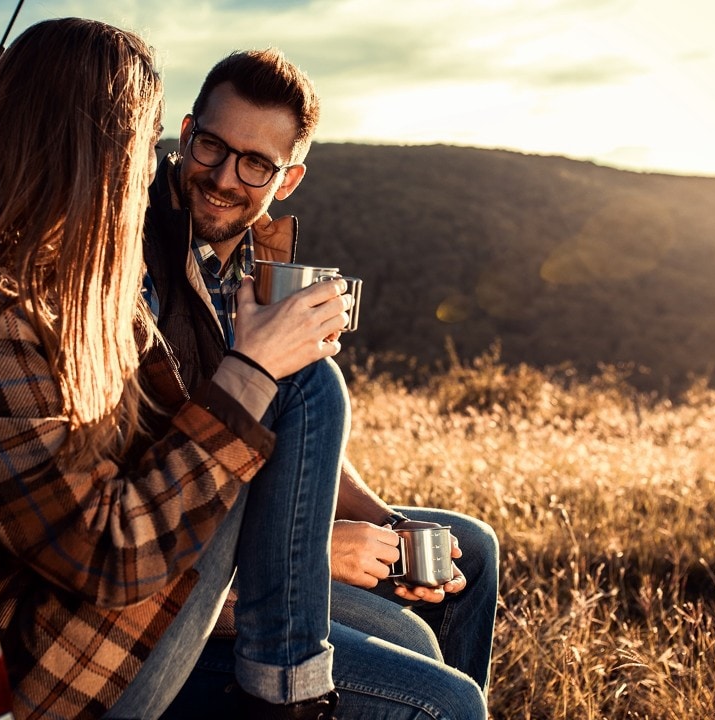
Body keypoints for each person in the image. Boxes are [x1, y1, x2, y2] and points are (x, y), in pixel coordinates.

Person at [0, 19, 353, 719]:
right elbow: (112, 553)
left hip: (107, 606)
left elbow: (155, 436)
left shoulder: (62, 287)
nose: (155, 170)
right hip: (51, 668)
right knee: (301, 384)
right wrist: (255, 367)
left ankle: (287, 682)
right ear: (91, 153)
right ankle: (286, 697)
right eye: (149, 146)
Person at [143, 48, 497, 715]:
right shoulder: (140, 256)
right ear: (185, 134)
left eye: (255, 164)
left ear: (289, 179)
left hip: (251, 526)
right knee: (430, 680)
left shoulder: (254, 266)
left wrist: (383, 521)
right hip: (195, 569)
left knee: (467, 549)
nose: (223, 177)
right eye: (211, 146)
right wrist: (310, 551)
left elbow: (296, 421)